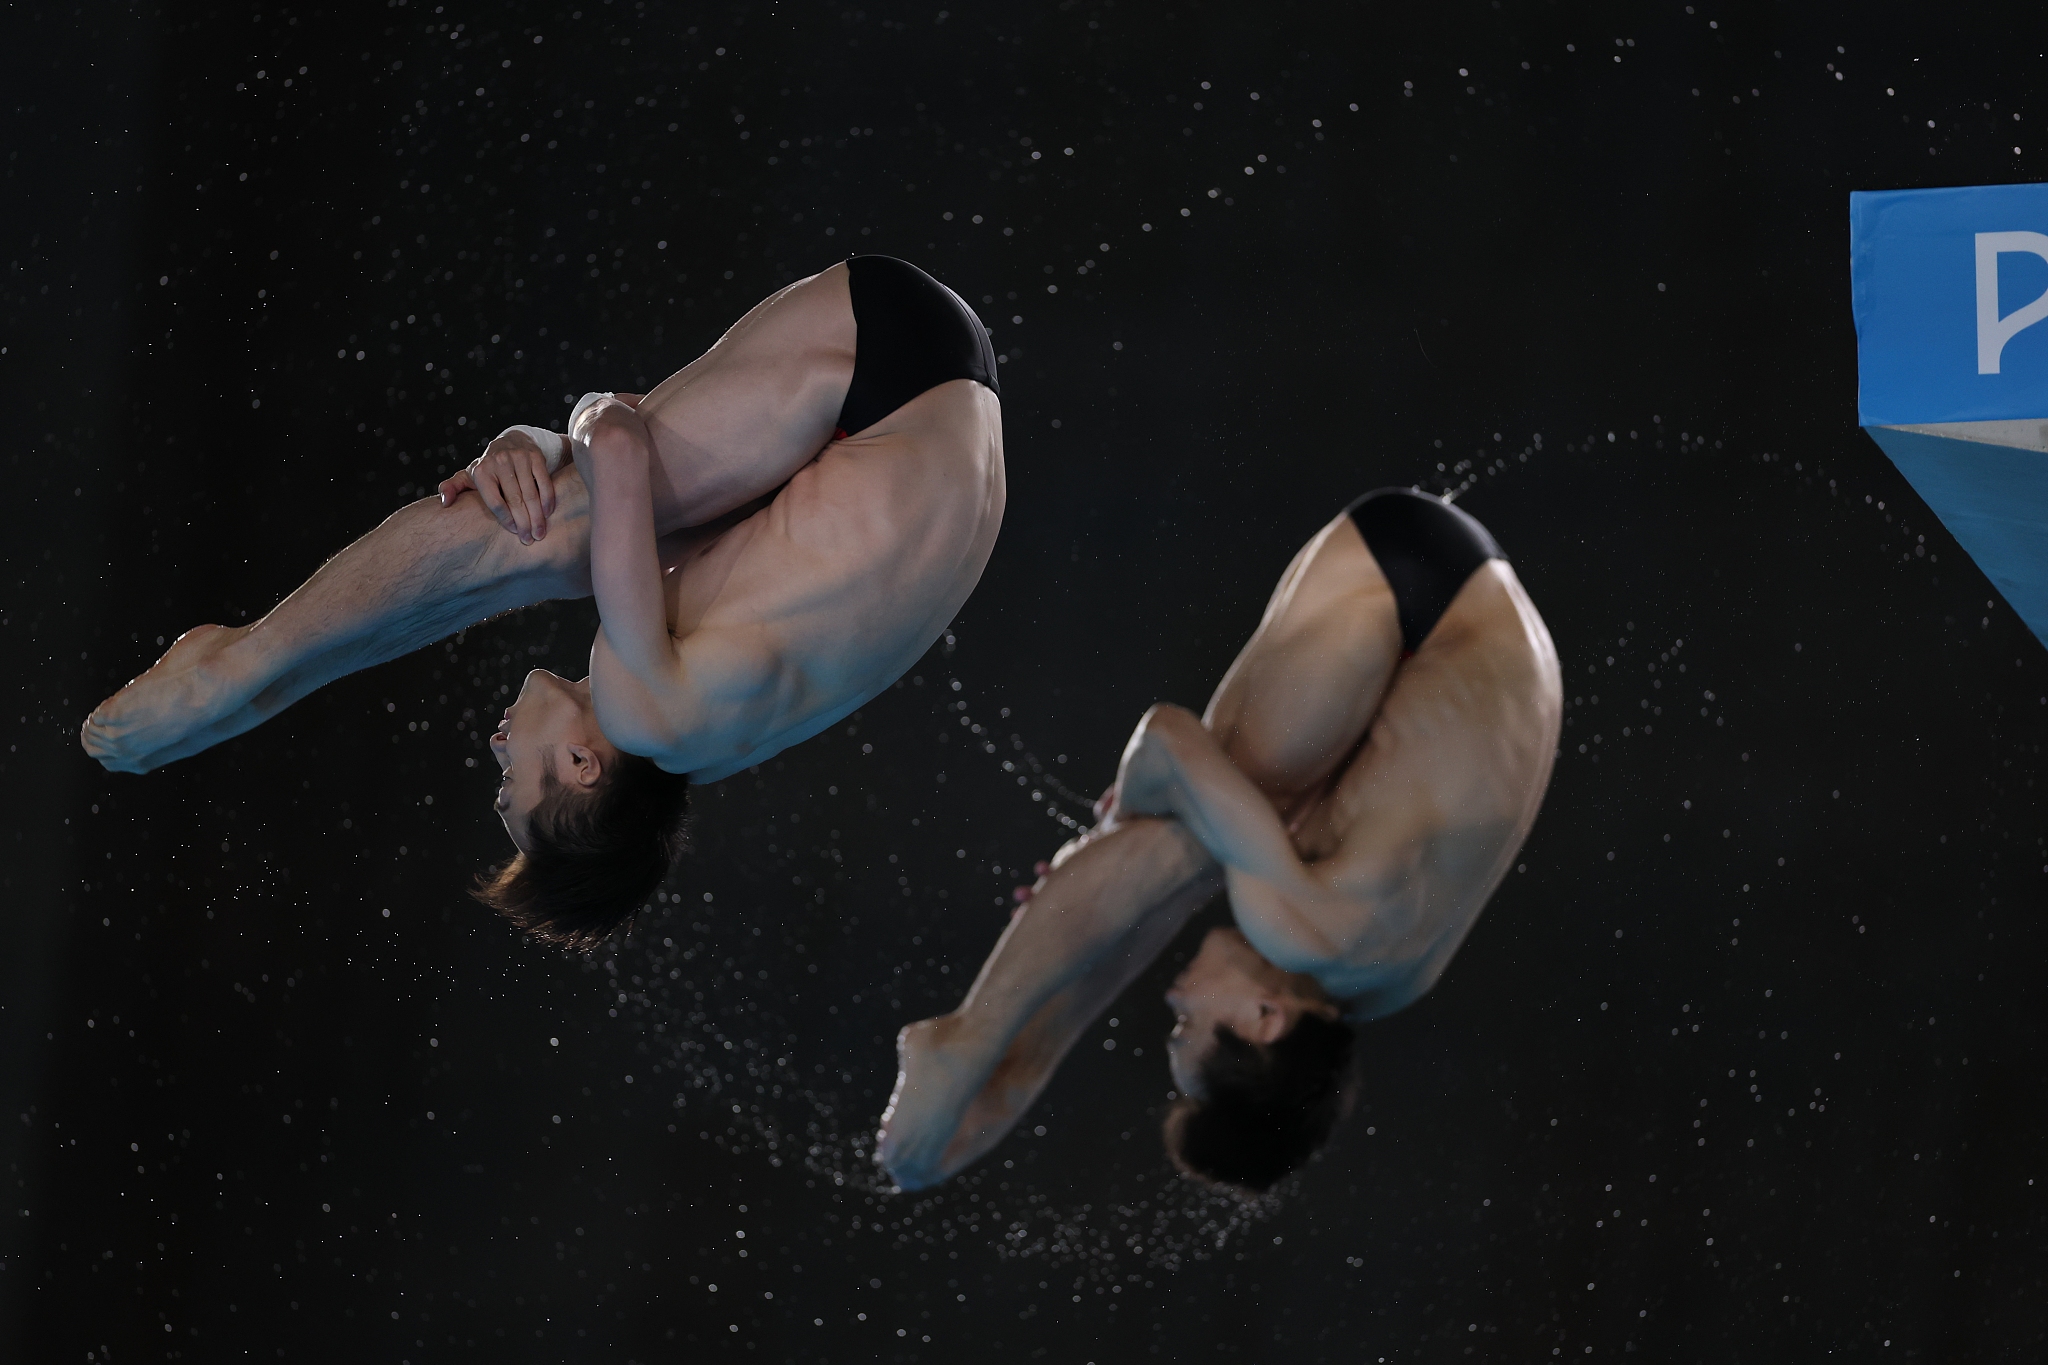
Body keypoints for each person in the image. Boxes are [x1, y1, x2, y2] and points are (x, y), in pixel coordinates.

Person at [81, 257, 1005, 949]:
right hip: (884, 360)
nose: (491, 748)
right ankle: (237, 671)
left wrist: (546, 448)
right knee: (540, 529)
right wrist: (547, 435)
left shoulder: (710, 733)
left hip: (944, 398)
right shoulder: (646, 704)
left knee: (569, 539)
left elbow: (703, 506)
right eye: (506, 783)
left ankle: (269, 679)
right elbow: (621, 437)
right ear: (580, 763)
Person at [876, 489, 1561, 1193]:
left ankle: (1017, 1062)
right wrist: (1113, 830)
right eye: (1186, 1028)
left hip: (1478, 611)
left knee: (1220, 831)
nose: (1173, 1001)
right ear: (1266, 1019)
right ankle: (975, 1044)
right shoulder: (1306, 934)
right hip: (1413, 575)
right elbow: (1165, 736)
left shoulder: (1385, 984)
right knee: (1201, 827)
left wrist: (1099, 876)